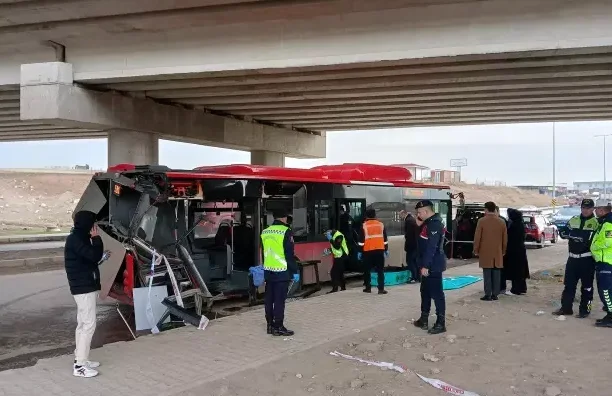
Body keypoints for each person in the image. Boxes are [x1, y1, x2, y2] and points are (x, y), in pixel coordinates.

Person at [64, 210, 105, 378]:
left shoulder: (78, 237)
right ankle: (80, 366)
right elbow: (94, 256)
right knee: (88, 325)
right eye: (93, 223)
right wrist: (96, 239)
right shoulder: (76, 239)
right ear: (88, 224)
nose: (95, 227)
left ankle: (81, 358)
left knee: (82, 324)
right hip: (83, 288)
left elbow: (90, 259)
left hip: (85, 286)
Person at [553, 199, 598, 318]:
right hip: (572, 259)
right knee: (569, 285)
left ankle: (585, 311)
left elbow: (593, 240)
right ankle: (566, 308)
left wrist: (578, 237)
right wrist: (572, 235)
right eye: (583, 207)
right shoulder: (574, 219)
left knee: (587, 287)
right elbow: (563, 232)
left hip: (587, 260)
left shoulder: (596, 223)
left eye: (588, 208)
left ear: (593, 209)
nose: (585, 210)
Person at [261, 209, 299, 336]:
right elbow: (289, 255)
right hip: (282, 272)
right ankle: (278, 326)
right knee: (279, 300)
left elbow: (264, 252)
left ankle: (269, 326)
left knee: (269, 299)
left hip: (268, 271)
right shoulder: (285, 232)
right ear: (284, 218)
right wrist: (295, 271)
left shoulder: (265, 231)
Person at [413, 200, 447, 334]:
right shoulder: (430, 222)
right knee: (425, 292)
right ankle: (424, 319)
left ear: (426, 211)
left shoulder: (434, 224)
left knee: (437, 294)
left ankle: (441, 323)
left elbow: (432, 247)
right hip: (427, 264)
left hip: (433, 265)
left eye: (420, 212)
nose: (418, 215)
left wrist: (426, 265)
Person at [473, 201, 508, 301]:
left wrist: (476, 249)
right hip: (498, 251)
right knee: (496, 273)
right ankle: (495, 294)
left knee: (487, 273)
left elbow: (477, 237)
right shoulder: (501, 222)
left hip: (485, 251)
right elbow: (505, 239)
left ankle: (488, 294)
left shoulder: (482, 221)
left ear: (486, 209)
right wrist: (503, 250)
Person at [357, 208, 389, 294]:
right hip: (379, 250)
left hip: (368, 251)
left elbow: (361, 241)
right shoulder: (381, 225)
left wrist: (360, 251)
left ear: (366, 216)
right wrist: (386, 249)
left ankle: (368, 288)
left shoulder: (364, 225)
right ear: (375, 215)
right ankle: (381, 289)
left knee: (367, 270)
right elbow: (385, 239)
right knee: (380, 270)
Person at [590, 204, 612, 327]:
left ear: (602, 210)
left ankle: (611, 317)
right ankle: (609, 315)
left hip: (607, 263)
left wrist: (594, 246)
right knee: (604, 290)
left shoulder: (609, 223)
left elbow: (608, 241)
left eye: (597, 209)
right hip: (602, 262)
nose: (595, 211)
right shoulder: (604, 222)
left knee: (606, 291)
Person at [504, 208, 530, 295]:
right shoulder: (521, 224)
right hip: (520, 249)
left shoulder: (514, 225)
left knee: (516, 270)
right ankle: (522, 288)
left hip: (514, 250)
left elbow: (510, 237)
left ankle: (515, 289)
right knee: (521, 270)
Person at [325, 228, 348, 293]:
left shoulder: (339, 235)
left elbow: (337, 246)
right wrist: (330, 250)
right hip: (338, 256)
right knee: (340, 273)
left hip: (341, 256)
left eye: (327, 234)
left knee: (333, 273)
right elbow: (336, 248)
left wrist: (330, 239)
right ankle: (343, 288)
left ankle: (335, 289)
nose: (327, 235)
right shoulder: (335, 235)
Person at [400, 210, 420, 283]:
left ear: (404, 214)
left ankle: (414, 277)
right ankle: (418, 277)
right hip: (416, 245)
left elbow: (409, 235)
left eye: (400, 215)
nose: (400, 217)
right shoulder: (412, 219)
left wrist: (407, 244)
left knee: (410, 261)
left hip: (411, 246)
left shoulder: (408, 221)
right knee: (415, 262)